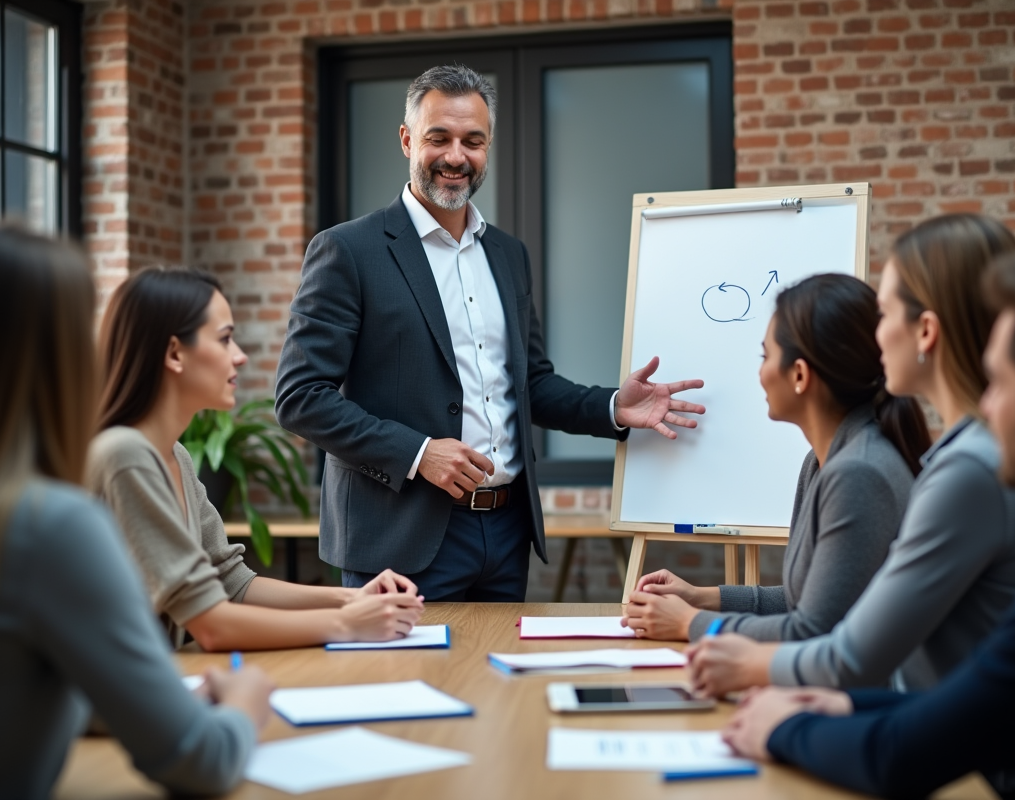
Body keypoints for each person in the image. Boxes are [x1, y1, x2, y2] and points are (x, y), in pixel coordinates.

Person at [274, 64, 705, 601]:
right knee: (405, 685)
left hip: (505, 536)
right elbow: (300, 398)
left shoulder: (508, 254)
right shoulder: (348, 251)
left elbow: (531, 384)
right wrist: (418, 453)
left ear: (488, 147)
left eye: (473, 141)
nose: (457, 156)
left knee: (500, 686)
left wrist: (616, 406)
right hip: (397, 539)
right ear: (408, 139)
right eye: (440, 138)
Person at [722, 240, 1015, 800]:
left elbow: (903, 754)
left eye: (1001, 385)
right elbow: (982, 702)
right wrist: (844, 703)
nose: (989, 409)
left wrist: (785, 727)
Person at [0, 228, 272, 798]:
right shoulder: (50, 526)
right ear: (62, 356)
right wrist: (243, 703)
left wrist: (141, 696)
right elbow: (201, 762)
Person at [685, 215, 1015, 700]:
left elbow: (846, 653)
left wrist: (710, 632)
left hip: (973, 763)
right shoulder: (961, 457)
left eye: (884, 314)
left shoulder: (966, 470)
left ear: (925, 331)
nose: (876, 334)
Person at [89, 268, 424, 651]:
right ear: (174, 353)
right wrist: (346, 623)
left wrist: (351, 598)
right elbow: (213, 626)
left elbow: (233, 582)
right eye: (225, 339)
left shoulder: (175, 456)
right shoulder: (124, 455)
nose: (241, 357)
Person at [622, 275, 928, 642]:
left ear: (799, 374)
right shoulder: (822, 462)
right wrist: (700, 598)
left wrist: (690, 624)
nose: (760, 372)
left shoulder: (857, 473)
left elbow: (813, 630)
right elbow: (808, 601)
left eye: (766, 356)